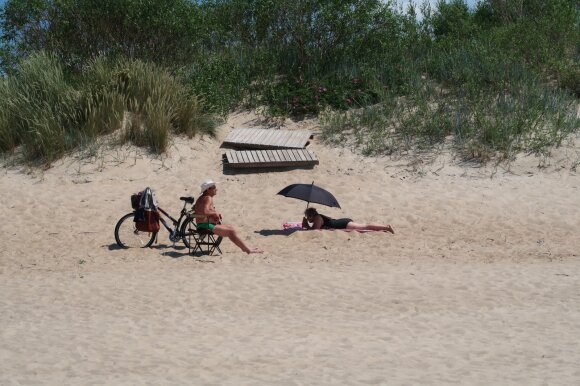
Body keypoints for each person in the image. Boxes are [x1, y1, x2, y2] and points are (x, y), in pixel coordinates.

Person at [193, 179, 264, 254]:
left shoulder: (201, 198)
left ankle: (246, 247)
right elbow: (205, 211)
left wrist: (213, 212)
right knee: (231, 231)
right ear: (208, 189)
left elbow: (197, 209)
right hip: (205, 226)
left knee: (230, 228)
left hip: (202, 225)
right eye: (214, 187)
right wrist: (215, 213)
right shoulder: (208, 198)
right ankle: (248, 250)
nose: (216, 189)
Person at [302, 207, 394, 233]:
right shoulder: (317, 218)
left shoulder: (318, 218)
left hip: (344, 224)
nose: (307, 218)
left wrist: (306, 225)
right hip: (342, 222)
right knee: (364, 226)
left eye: (307, 216)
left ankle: (386, 227)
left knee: (364, 226)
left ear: (312, 215)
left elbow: (315, 230)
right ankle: (385, 227)